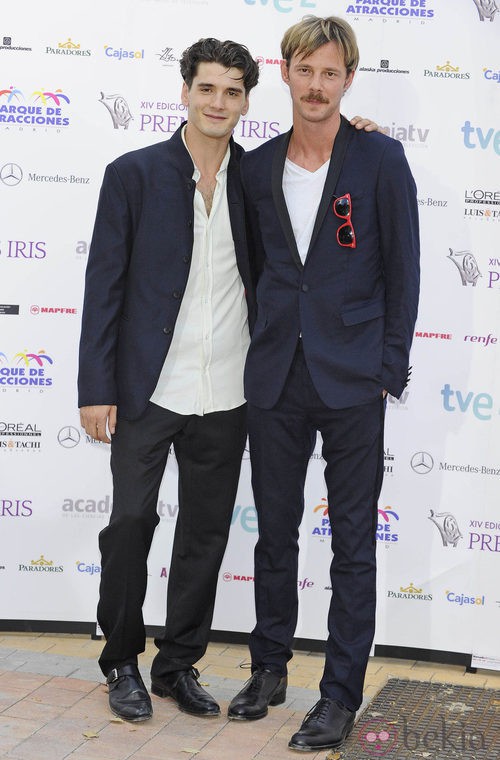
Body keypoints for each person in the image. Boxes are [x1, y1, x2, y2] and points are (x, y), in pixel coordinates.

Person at [78, 35, 378, 724]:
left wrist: (362, 134)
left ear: (248, 99)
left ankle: (176, 662)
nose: (219, 102)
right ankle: (119, 657)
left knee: (207, 533)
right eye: (207, 88)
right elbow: (104, 289)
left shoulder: (255, 177)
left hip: (231, 389)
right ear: (185, 91)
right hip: (146, 388)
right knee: (130, 523)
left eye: (233, 91)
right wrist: (96, 387)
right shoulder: (133, 173)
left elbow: (321, 184)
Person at [227, 15, 420, 753]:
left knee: (352, 546)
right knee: (274, 535)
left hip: (352, 382)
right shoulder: (255, 167)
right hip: (275, 376)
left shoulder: (380, 159)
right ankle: (269, 668)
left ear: (347, 79)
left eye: (330, 73)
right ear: (285, 73)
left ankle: (339, 694)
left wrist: (386, 369)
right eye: (305, 71)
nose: (316, 85)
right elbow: (254, 272)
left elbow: (404, 271)